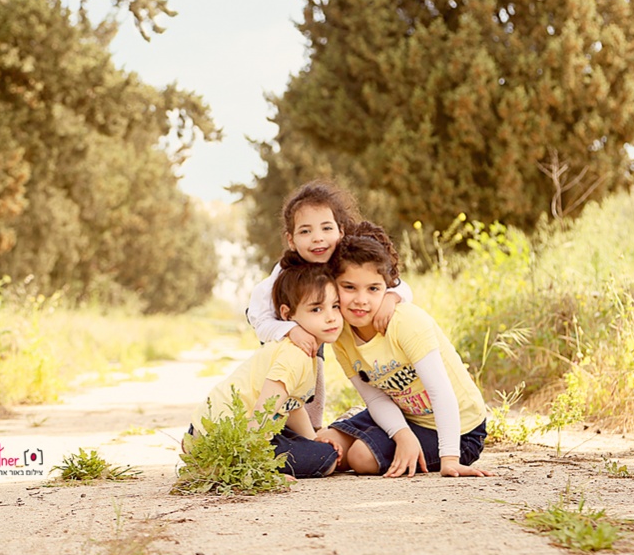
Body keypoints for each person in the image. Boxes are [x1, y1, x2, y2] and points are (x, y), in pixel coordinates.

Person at [315, 221, 491, 478]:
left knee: (361, 457)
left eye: (373, 289)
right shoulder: (340, 333)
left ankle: (373, 436)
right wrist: (402, 434)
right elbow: (375, 398)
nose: (361, 300)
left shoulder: (406, 322)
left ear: (387, 287)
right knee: (325, 446)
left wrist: (450, 458)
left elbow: (441, 392)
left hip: (459, 431)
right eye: (349, 287)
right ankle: (374, 430)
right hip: (403, 414)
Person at [246, 180, 413, 430]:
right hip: (275, 320)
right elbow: (261, 319)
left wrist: (392, 296)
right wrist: (290, 330)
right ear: (291, 240)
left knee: (315, 362)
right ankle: (271, 420)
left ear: (340, 231)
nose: (318, 239)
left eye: (326, 228)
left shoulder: (344, 258)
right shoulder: (286, 273)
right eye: (305, 232)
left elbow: (400, 286)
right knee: (292, 365)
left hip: (317, 315)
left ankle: (314, 426)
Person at [186, 257, 343, 478]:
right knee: (325, 459)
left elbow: (292, 406)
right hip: (222, 436)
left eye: (335, 306)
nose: (331, 317)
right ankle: (225, 465)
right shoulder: (294, 354)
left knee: (322, 451)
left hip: (224, 432)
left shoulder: (305, 352)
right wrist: (259, 470)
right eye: (316, 309)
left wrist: (312, 439)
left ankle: (213, 458)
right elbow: (263, 409)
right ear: (287, 314)